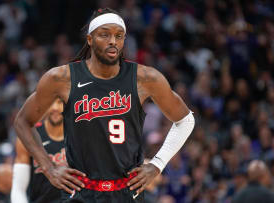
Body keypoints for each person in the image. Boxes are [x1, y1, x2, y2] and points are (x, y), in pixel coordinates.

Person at [14, 8, 195, 203]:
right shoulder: (61, 78)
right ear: (90, 40)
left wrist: (157, 164)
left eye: (119, 36)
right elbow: (22, 121)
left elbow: (186, 120)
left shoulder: (145, 78)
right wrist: (49, 168)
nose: (112, 41)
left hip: (127, 192)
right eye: (104, 34)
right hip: (82, 193)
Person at [11, 99, 66, 203]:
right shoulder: (28, 136)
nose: (55, 108)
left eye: (60, 103)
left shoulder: (80, 135)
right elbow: (18, 188)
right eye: (51, 102)